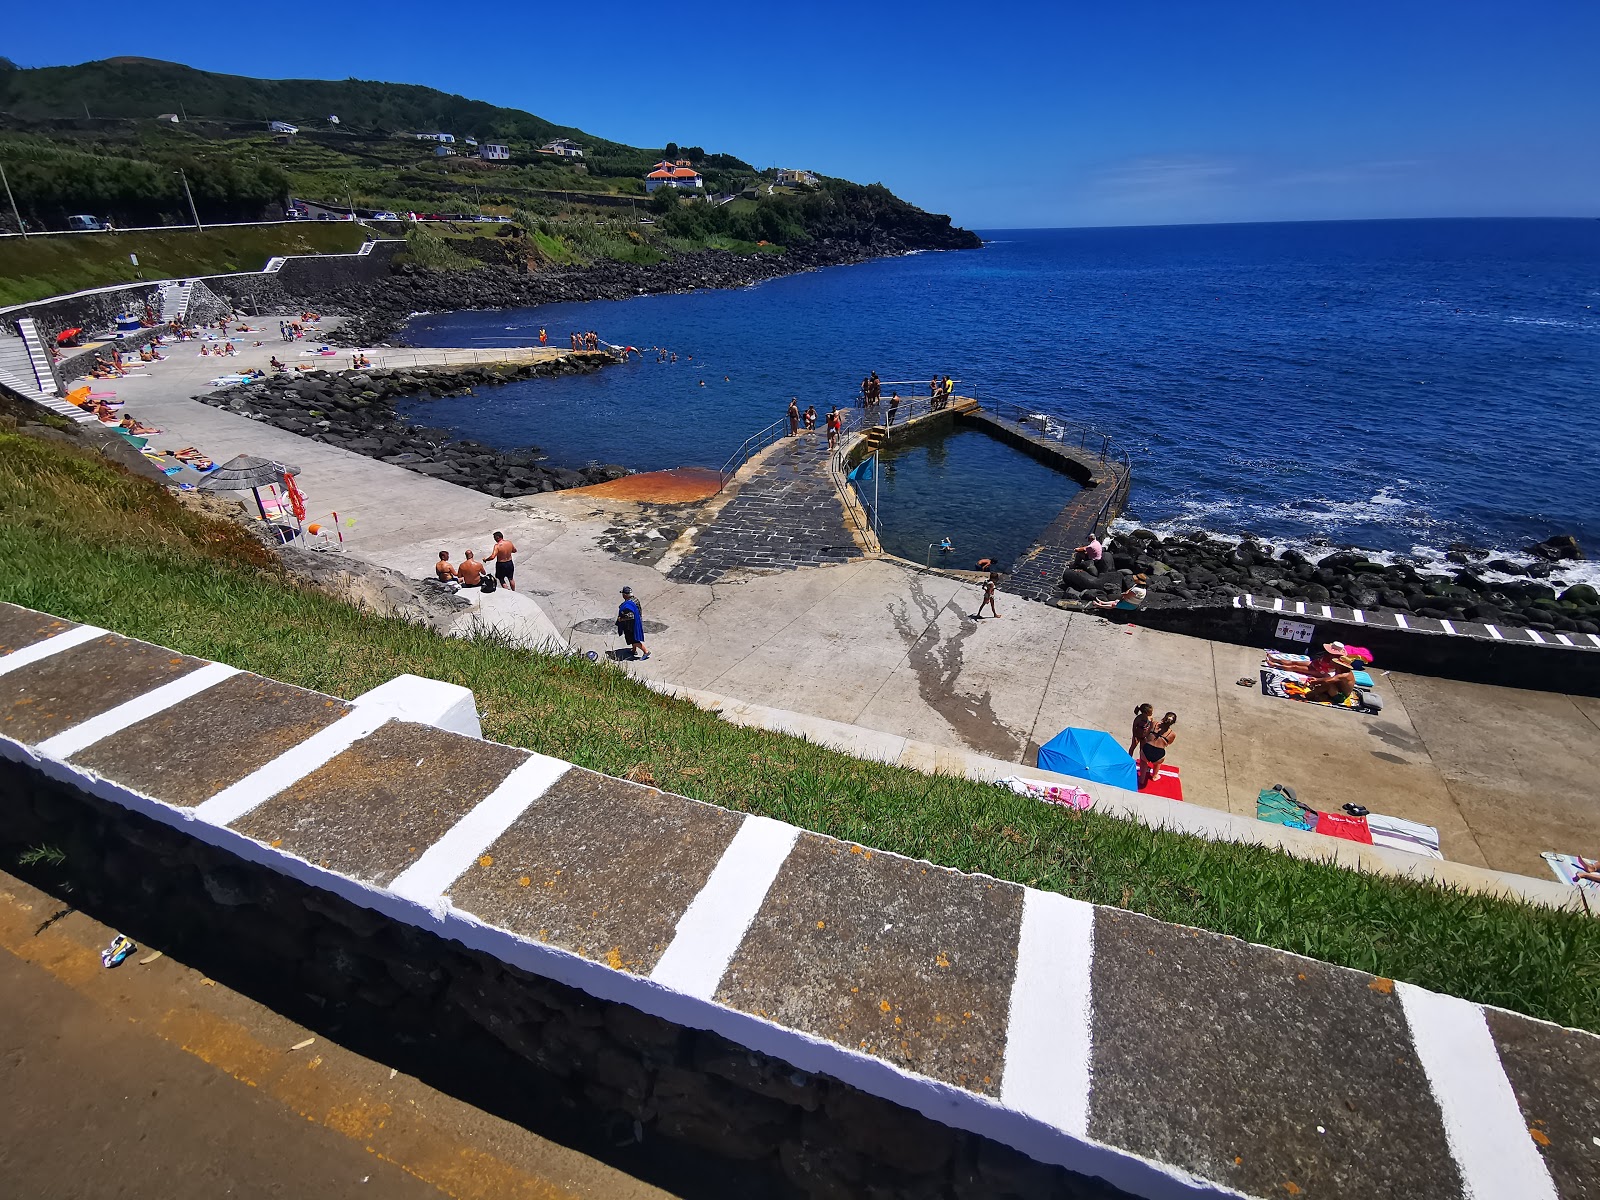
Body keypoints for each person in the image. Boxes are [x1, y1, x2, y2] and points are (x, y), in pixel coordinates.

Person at [1138, 712, 1177, 789]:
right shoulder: (1172, 734)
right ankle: (1155, 775)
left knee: (1143, 760)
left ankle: (1142, 778)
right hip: (1158, 755)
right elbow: (1168, 743)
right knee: (1158, 760)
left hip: (1147, 751)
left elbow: (1147, 734)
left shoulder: (1154, 723)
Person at [617, 586, 649, 660]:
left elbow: (631, 616)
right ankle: (634, 650)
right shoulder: (635, 600)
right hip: (637, 621)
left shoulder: (628, 605)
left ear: (625, 595)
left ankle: (646, 651)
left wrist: (621, 619)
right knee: (633, 638)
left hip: (631, 625)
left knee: (633, 640)